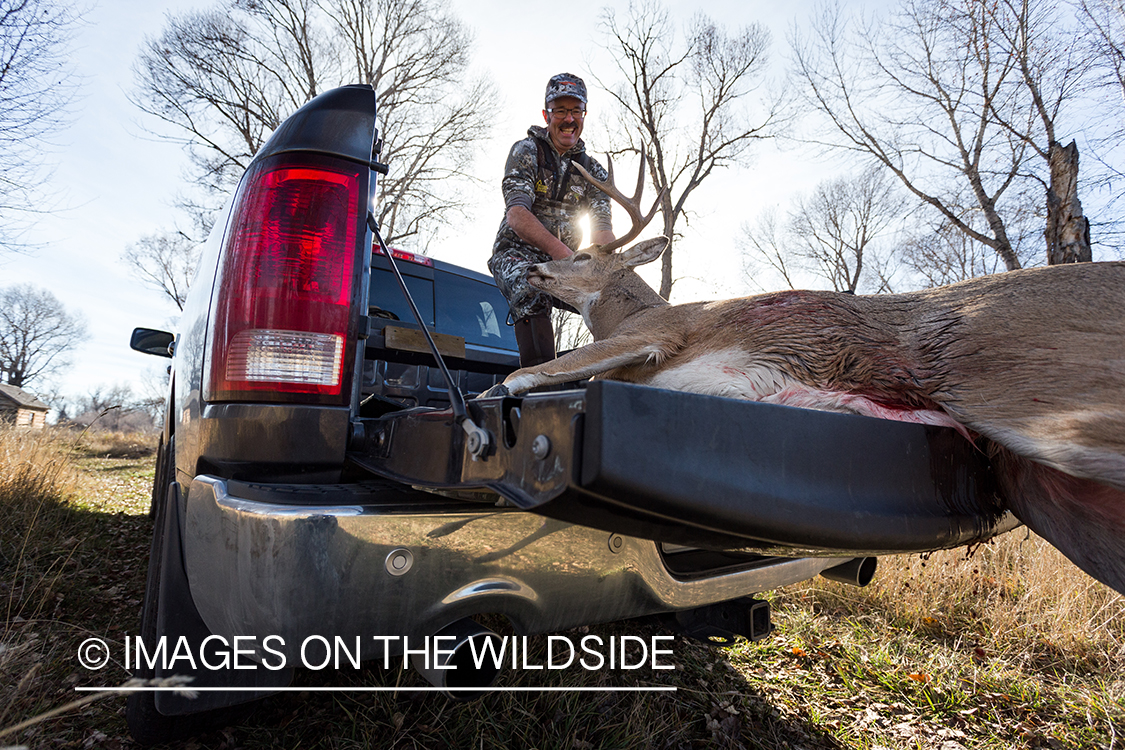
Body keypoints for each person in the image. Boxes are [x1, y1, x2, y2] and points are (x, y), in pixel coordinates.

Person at [488, 73, 615, 368]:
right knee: (532, 285)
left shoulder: (593, 171)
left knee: (613, 297)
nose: (568, 119)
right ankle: (540, 384)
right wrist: (568, 259)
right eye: (560, 111)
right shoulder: (527, 152)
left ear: (584, 115)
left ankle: (611, 375)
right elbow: (518, 215)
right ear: (547, 115)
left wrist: (611, 272)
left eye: (575, 111)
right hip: (517, 255)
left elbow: (602, 231)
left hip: (566, 264)